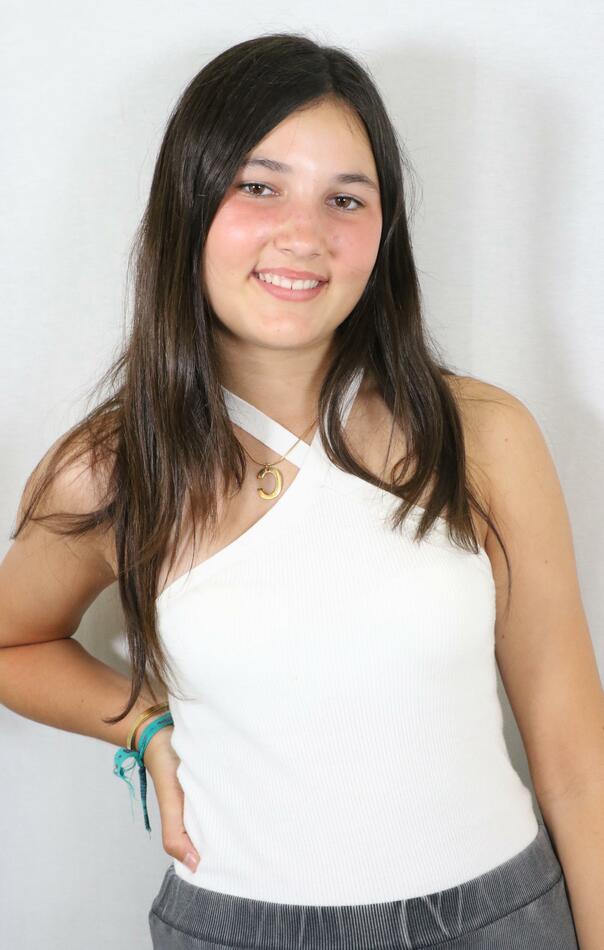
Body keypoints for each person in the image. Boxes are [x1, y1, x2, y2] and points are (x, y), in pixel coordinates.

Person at [1, 30, 600, 950]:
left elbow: (576, 763)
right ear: (190, 201)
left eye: (345, 199)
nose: (304, 235)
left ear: (383, 233)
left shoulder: (483, 435)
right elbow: (14, 641)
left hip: (501, 921)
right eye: (259, 186)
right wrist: (145, 728)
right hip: (234, 929)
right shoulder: (117, 464)